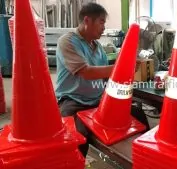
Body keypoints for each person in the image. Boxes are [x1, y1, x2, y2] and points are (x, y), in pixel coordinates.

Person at [55, 3, 150, 157]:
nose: (104, 27)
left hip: (98, 100)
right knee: (77, 136)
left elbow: (106, 77)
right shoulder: (68, 42)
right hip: (73, 101)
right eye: (101, 22)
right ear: (87, 20)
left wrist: (126, 70)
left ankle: (143, 157)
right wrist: (121, 67)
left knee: (137, 114)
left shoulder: (98, 47)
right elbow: (85, 72)